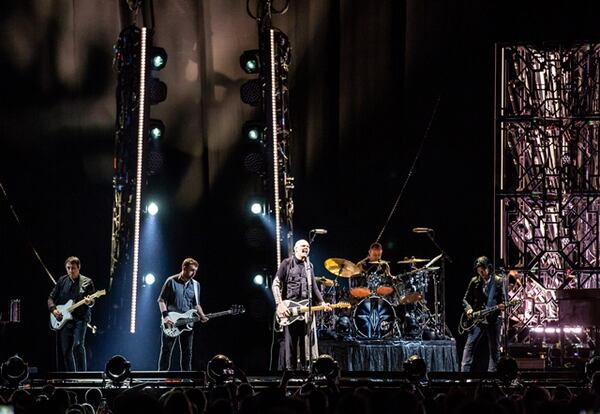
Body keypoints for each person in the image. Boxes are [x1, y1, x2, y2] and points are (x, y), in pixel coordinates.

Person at [272, 239, 331, 370]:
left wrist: (322, 303)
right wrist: (279, 305)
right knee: (291, 344)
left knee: (307, 344)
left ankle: (306, 371)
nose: (306, 248)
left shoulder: (309, 266)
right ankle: (290, 373)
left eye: (308, 246)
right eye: (303, 246)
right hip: (290, 310)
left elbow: (315, 288)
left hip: (306, 310)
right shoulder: (286, 263)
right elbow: (275, 284)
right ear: (296, 249)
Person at [158, 257, 208, 371]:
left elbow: (196, 304)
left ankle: (186, 379)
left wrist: (202, 315)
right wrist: (165, 316)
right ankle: (160, 378)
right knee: (166, 351)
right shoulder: (171, 281)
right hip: (172, 322)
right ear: (184, 268)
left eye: (195, 271)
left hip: (187, 322)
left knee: (187, 352)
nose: (193, 273)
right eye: (191, 270)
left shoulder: (196, 285)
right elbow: (161, 300)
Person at [48, 256, 95, 371]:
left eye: (73, 268)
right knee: (66, 351)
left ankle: (83, 377)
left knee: (78, 345)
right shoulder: (62, 280)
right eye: (68, 268)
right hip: (65, 319)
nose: (70, 271)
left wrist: (89, 302)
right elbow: (50, 298)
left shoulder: (87, 282)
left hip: (81, 318)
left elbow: (92, 300)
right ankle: (72, 377)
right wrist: (54, 310)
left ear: (78, 268)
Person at [461, 256, 506, 372]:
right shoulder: (474, 281)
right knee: (469, 346)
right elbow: (465, 299)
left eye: (483, 270)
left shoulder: (499, 281)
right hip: (477, 319)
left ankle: (492, 377)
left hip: (493, 319)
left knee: (494, 349)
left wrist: (502, 306)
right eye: (478, 270)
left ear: (489, 268)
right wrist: (469, 309)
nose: (481, 272)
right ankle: (464, 375)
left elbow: (505, 301)